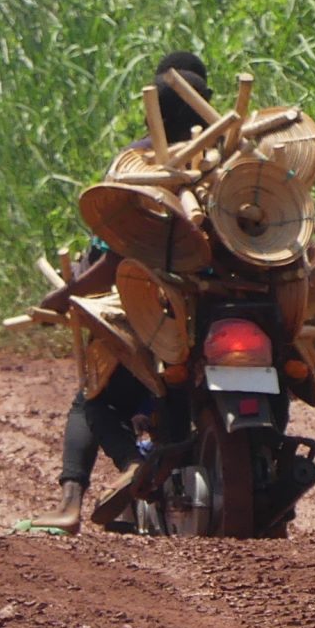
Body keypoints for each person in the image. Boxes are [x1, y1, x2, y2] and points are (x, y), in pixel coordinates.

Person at [29, 51, 211, 537]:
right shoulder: (228, 161)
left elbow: (112, 264)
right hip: (218, 310)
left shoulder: (139, 164)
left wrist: (63, 296)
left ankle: (90, 491)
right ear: (207, 108)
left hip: (149, 311)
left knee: (91, 400)